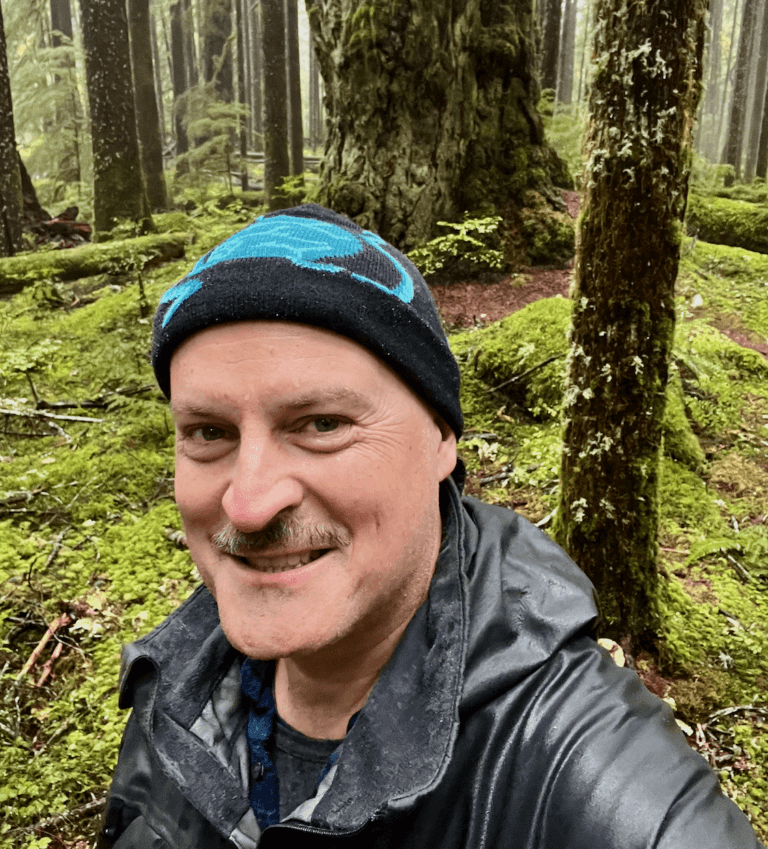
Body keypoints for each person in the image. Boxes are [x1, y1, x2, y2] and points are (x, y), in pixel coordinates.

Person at [98, 203, 764, 849]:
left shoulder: (592, 780)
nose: (248, 504)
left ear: (442, 435)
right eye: (208, 432)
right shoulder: (176, 688)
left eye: (322, 424)